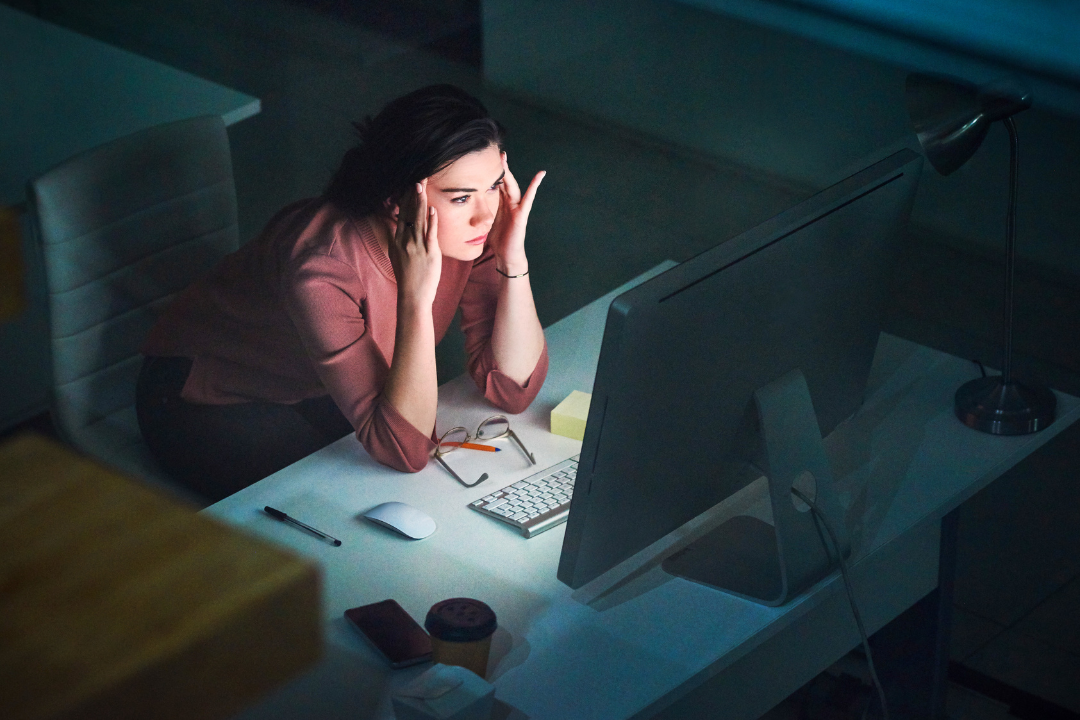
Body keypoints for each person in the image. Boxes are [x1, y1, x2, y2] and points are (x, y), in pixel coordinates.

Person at [137, 85, 548, 502]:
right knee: (335, 508)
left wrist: (512, 260)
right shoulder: (320, 269)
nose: (488, 213)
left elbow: (513, 390)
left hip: (316, 386)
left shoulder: (466, 235)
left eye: (495, 186)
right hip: (210, 395)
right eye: (461, 197)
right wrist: (415, 297)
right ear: (398, 202)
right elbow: (406, 450)